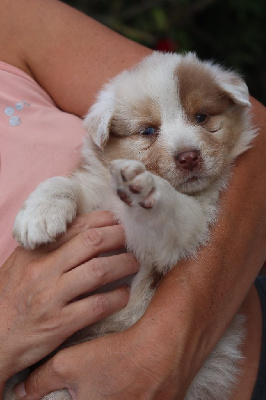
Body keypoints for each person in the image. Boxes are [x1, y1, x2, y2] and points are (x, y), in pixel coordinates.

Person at [0, 0, 265, 399]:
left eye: (199, 119)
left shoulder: (13, 17)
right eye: (148, 132)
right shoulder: (108, 155)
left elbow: (255, 124)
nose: (185, 149)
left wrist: (163, 347)